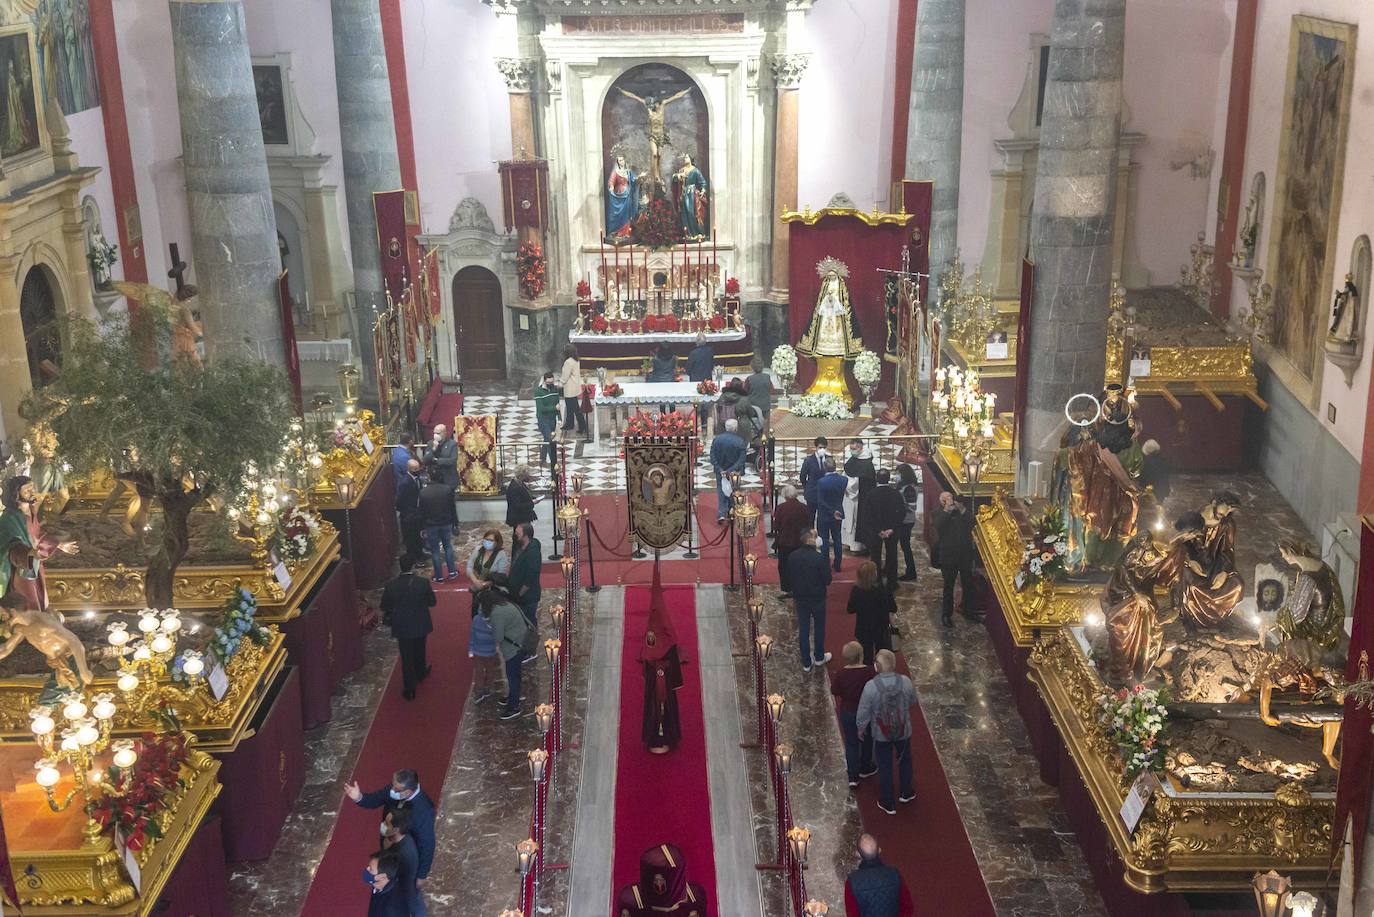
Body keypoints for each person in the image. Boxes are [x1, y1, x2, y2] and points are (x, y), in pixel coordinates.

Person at [344, 768, 436, 889]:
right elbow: (375, 799)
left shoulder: (424, 810)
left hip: (405, 855)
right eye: (392, 785)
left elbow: (427, 844)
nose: (391, 789)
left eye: (396, 788)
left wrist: (421, 875)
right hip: (389, 845)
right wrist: (359, 797)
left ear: (407, 792)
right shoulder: (395, 789)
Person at [0, 475, 78, 614]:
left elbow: (36, 536)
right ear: (15, 495)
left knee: (38, 596)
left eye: (32, 489)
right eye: (27, 491)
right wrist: (28, 553)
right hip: (21, 568)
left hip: (34, 564)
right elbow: (11, 545)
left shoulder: (31, 512)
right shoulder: (8, 518)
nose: (32, 493)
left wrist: (58, 545)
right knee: (27, 600)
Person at [856, 649, 916, 815]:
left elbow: (863, 711)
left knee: (884, 765)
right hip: (903, 731)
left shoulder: (871, 686)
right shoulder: (905, 681)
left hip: (881, 733)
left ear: (877, 666)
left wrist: (861, 728)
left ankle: (888, 802)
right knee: (905, 761)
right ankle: (906, 792)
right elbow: (912, 700)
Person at [641, 567, 685, 753]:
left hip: (656, 682)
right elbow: (673, 663)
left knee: (656, 708)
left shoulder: (651, 636)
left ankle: (658, 737)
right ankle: (665, 735)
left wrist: (651, 671)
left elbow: (646, 659)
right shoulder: (669, 640)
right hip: (664, 681)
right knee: (663, 709)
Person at [380, 556, 436, 700]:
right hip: (420, 622)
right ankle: (421, 671)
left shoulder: (391, 586)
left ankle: (410, 688)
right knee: (420, 648)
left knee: (406, 656)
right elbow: (432, 602)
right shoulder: (422, 583)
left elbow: (384, 606)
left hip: (402, 625)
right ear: (412, 567)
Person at [476, 585, 530, 720]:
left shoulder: (496, 613)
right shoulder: (504, 604)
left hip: (514, 648)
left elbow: (498, 637)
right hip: (521, 642)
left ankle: (514, 706)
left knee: (512, 676)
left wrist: (489, 627)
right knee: (514, 674)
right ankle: (512, 697)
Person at [786, 528, 833, 672]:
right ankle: (819, 657)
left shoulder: (793, 556)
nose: (818, 538)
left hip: (801, 598)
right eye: (815, 536)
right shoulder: (820, 558)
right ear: (810, 539)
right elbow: (828, 580)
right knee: (819, 628)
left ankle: (806, 662)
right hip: (817, 598)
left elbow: (789, 577)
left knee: (804, 629)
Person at [830, 641, 876, 787]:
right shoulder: (869, 672)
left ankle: (853, 776)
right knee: (867, 739)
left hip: (847, 711)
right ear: (861, 656)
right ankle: (865, 767)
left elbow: (834, 691)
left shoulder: (842, 673)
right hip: (866, 711)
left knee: (851, 742)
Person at [843, 834, 915, 917]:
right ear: (879, 850)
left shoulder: (851, 882)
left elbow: (852, 914)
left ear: (858, 854)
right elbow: (908, 908)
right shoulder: (895, 874)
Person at [934, 491, 977, 627]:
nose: (949, 499)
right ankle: (946, 615)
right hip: (948, 556)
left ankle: (969, 610)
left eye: (950, 497)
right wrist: (947, 510)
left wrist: (962, 509)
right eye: (946, 498)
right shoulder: (938, 512)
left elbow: (972, 522)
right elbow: (938, 525)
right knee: (948, 586)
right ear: (941, 501)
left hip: (964, 555)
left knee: (968, 584)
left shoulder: (961, 512)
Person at [376, 807, 427, 916]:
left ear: (396, 829)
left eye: (387, 823)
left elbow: (391, 873)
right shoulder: (400, 838)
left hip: (404, 887)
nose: (383, 824)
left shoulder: (402, 852)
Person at [862, 469, 907, 589]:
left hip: (875, 531)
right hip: (892, 530)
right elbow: (901, 512)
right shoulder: (895, 494)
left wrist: (878, 530)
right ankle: (892, 582)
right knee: (892, 555)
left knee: (875, 556)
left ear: (877, 479)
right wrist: (891, 529)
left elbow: (867, 514)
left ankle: (876, 581)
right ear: (888, 479)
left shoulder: (871, 494)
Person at [505, 522, 543, 660]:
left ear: (526, 535)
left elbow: (531, 576)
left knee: (530, 623)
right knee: (523, 623)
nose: (516, 535)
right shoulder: (521, 547)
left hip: (528, 596)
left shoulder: (532, 552)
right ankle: (523, 647)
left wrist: (520, 593)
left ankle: (530, 651)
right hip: (518, 594)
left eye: (518, 533)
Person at [848, 561, 896, 664]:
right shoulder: (883, 589)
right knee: (882, 653)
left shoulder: (856, 590)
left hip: (863, 628)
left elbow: (850, 609)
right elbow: (893, 607)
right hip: (881, 627)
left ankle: (867, 673)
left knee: (866, 656)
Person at [467, 582, 505, 703]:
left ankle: (478, 692)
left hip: (478, 651)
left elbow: (472, 635)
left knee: (478, 672)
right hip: (490, 652)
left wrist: (471, 649)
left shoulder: (476, 619)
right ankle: (489, 688)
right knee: (490, 670)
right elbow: (497, 637)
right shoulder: (494, 620)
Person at [772, 485, 811, 597]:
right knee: (800, 566)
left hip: (785, 542)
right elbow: (808, 524)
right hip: (800, 542)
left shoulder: (781, 507)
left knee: (784, 566)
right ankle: (799, 588)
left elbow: (776, 526)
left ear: (785, 496)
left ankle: (787, 588)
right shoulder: (804, 507)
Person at [417, 474, 457, 582]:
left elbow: (421, 512)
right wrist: (455, 523)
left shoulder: (424, 492)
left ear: (430, 477)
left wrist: (422, 527)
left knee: (435, 551)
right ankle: (452, 572)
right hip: (446, 523)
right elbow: (452, 508)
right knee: (448, 547)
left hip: (431, 525)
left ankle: (439, 576)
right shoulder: (447, 489)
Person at [710, 418, 747, 523]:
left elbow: (712, 456)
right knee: (734, 490)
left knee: (721, 490)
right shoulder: (740, 441)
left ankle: (722, 513)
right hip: (734, 472)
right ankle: (733, 511)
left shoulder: (717, 439)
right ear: (735, 428)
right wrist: (730, 470)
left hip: (720, 471)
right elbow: (741, 460)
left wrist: (720, 469)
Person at [845, 438, 877, 556]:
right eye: (851, 449)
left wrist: (847, 485)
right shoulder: (856, 458)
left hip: (862, 497)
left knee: (861, 521)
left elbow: (857, 482)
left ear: (860, 448)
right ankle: (852, 544)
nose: (852, 451)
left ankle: (862, 546)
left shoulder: (866, 463)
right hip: (855, 497)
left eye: (854, 449)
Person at [816, 459, 848, 571]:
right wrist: (834, 511)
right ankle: (838, 564)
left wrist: (831, 511)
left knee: (824, 540)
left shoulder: (821, 481)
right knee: (837, 539)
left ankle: (825, 565)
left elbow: (821, 501)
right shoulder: (844, 480)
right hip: (838, 512)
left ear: (824, 468)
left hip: (825, 514)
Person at [894, 464, 920, 582]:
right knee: (903, 545)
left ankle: (911, 571)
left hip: (906, 520)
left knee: (905, 546)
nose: (896, 476)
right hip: (903, 519)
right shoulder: (904, 486)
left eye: (898, 473)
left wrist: (899, 506)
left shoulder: (909, 488)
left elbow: (911, 506)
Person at [363, 849, 407, 917]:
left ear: (382, 876)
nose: (367, 869)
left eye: (371, 869)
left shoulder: (391, 910)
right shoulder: (381, 884)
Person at [395, 458, 424, 563]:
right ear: (409, 469)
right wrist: (406, 512)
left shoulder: (417, 479)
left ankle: (420, 553)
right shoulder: (405, 482)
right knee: (410, 538)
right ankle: (414, 558)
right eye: (415, 469)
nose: (417, 470)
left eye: (418, 468)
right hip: (408, 515)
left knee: (418, 536)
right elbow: (399, 500)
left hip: (417, 513)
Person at [465, 528, 510, 592]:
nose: (488, 542)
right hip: (476, 584)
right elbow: (469, 566)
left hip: (493, 589)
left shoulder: (501, 555)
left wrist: (483, 585)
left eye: (491, 540)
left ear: (497, 543)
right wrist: (475, 581)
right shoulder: (478, 549)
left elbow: (500, 578)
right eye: (486, 539)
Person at [798, 437, 829, 526]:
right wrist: (807, 487)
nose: (822, 450)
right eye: (820, 447)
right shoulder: (809, 460)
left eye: (824, 448)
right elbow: (802, 477)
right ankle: (811, 537)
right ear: (816, 447)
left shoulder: (829, 459)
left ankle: (822, 537)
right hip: (812, 493)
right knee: (810, 517)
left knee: (823, 518)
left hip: (825, 494)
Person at [534, 371, 562, 467]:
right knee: (550, 440)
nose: (551, 385)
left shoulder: (554, 389)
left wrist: (559, 418)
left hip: (552, 419)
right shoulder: (538, 391)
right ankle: (553, 463)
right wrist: (554, 408)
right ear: (545, 381)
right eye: (549, 383)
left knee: (547, 439)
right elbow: (541, 409)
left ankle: (542, 459)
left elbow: (558, 404)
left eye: (552, 382)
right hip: (543, 419)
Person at [559, 344, 588, 436]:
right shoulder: (576, 360)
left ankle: (581, 425)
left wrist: (561, 383)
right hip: (574, 386)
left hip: (569, 387)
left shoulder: (568, 362)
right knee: (571, 407)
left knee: (574, 408)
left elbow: (565, 375)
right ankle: (570, 423)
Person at [504, 466, 538, 537]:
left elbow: (524, 496)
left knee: (525, 536)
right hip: (518, 518)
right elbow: (518, 505)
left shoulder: (520, 483)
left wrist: (533, 498)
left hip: (522, 517)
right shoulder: (514, 487)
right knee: (519, 537)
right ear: (522, 476)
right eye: (527, 475)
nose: (529, 477)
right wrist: (532, 502)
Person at [1137, 438, 1171, 502]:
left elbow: (1143, 478)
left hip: (1149, 490)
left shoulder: (1145, 462)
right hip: (1162, 489)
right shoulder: (1163, 460)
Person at [744, 358, 773, 433]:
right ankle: (766, 437)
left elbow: (744, 392)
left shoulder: (749, 379)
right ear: (762, 367)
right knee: (766, 423)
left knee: (753, 424)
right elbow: (772, 390)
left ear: (752, 367)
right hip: (766, 406)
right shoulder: (767, 377)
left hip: (753, 407)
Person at [426, 424, 458, 488]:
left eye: (437, 433)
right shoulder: (430, 443)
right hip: (434, 479)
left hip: (448, 479)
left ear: (444, 433)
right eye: (434, 433)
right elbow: (426, 460)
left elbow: (452, 461)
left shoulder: (452, 444)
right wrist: (433, 449)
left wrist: (436, 460)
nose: (435, 435)